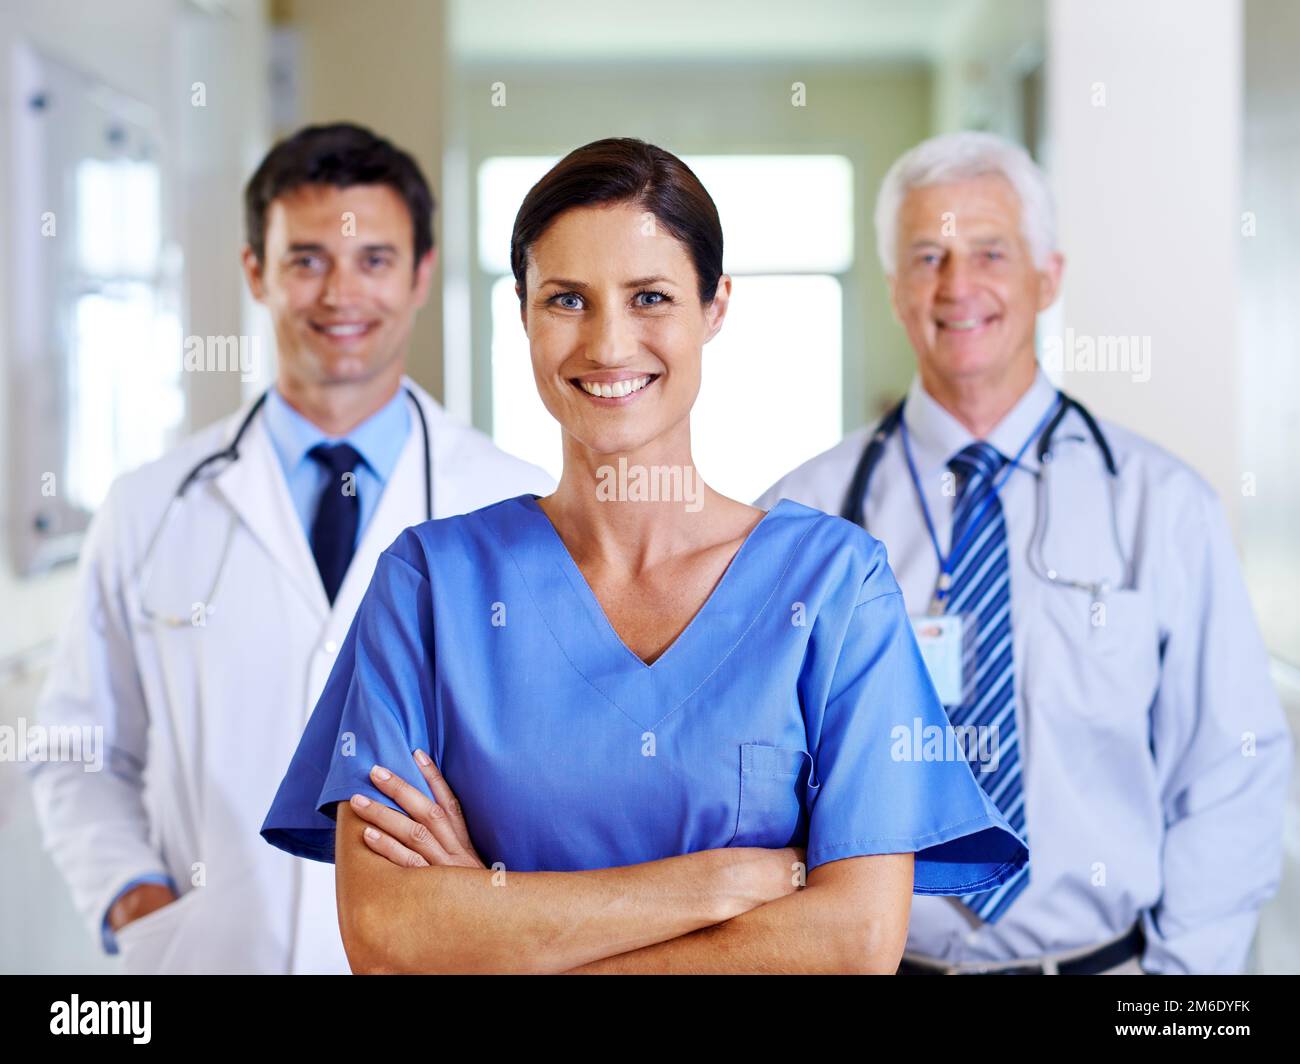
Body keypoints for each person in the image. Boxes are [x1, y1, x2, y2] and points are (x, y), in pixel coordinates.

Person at [261, 137, 1028, 975]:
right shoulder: (431, 586)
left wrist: (493, 921)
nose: (609, 344)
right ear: (521, 313)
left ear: (716, 306)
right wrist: (718, 883)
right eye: (566, 301)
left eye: (651, 296)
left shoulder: (837, 587)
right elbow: (386, 932)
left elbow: (853, 945)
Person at [756, 130, 1293, 975]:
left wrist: (1179, 995)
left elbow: (1231, 775)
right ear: (896, 291)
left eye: (990, 253)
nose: (957, 285)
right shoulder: (805, 519)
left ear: (1049, 276)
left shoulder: (1164, 507)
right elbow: (756, 783)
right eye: (928, 256)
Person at [25, 123, 553, 974]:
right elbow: (77, 750)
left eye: (374, 260)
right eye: (307, 260)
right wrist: (137, 899)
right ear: (255, 273)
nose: (341, 294)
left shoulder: (513, 505)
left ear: (421, 274)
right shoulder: (153, 505)